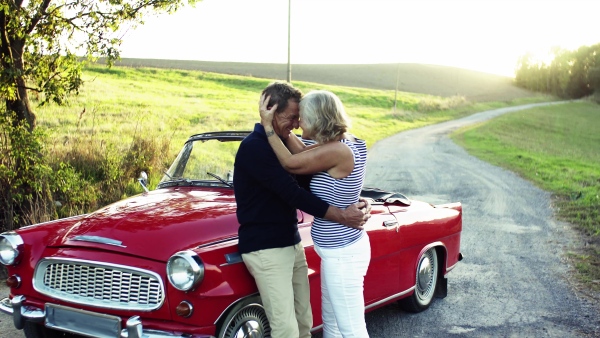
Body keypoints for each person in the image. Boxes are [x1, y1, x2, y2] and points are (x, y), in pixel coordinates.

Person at [233, 82, 370, 338]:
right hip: (267, 247)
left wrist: (354, 198)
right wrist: (342, 214)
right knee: (286, 329)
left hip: (293, 243)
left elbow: (317, 170)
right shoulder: (256, 147)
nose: (297, 124)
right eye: (291, 117)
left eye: (300, 117)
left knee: (304, 321)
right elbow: (293, 191)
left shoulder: (316, 145)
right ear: (271, 112)